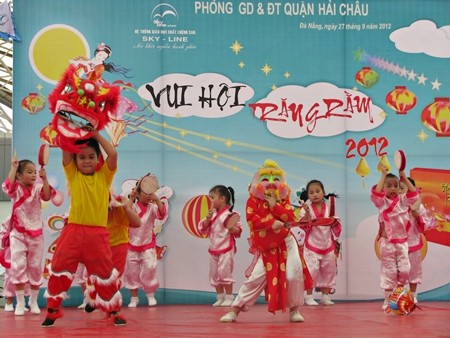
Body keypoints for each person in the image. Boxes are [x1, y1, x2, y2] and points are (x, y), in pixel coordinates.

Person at [42, 131, 126, 327]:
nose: (86, 161)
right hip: (73, 233)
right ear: (75, 159)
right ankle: (52, 311)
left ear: (98, 159)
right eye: (82, 157)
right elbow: (65, 149)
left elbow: (112, 154)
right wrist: (74, 130)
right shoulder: (73, 175)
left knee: (105, 275)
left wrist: (95, 135)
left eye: (91, 157)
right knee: (59, 270)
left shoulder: (104, 177)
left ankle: (114, 312)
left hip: (97, 236)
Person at [220, 159, 304, 323]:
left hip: (287, 242)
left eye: (275, 179)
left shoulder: (284, 199)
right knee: (255, 279)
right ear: (257, 182)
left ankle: (294, 310)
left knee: (293, 275)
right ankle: (235, 310)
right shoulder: (252, 200)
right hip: (268, 247)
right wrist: (272, 223)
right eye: (265, 179)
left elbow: (289, 217)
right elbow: (253, 220)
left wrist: (274, 205)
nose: (271, 183)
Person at [2, 156, 55, 316]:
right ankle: (19, 303)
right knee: (17, 267)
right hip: (18, 234)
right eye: (29, 172)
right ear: (19, 175)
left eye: (35, 172)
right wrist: (13, 167)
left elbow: (47, 195)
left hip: (36, 235)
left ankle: (32, 302)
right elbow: (6, 187)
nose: (33, 175)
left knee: (34, 268)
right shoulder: (16, 188)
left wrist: (44, 179)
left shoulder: (38, 188)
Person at [371, 165, 419, 310]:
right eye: (389, 185)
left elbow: (415, 194)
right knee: (389, 271)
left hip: (402, 243)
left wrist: (403, 177)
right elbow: (376, 194)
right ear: (384, 187)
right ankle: (387, 299)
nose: (393, 188)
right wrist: (383, 175)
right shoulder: (382, 202)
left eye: (395, 186)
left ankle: (398, 295)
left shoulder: (404, 201)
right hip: (387, 243)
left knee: (405, 270)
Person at [123, 173, 166, 307]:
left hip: (147, 244)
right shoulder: (133, 207)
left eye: (150, 193)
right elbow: (125, 212)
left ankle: (150, 295)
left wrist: (158, 200)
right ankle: (134, 298)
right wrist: (132, 197)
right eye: (146, 193)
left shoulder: (153, 208)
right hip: (131, 245)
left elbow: (162, 214)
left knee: (150, 269)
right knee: (131, 272)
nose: (148, 196)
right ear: (139, 193)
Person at [198, 185, 242, 307]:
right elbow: (202, 228)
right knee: (214, 273)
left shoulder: (231, 214)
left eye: (212, 197)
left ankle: (229, 297)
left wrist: (233, 228)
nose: (211, 200)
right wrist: (207, 219)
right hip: (214, 248)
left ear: (222, 199)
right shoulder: (211, 215)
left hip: (226, 248)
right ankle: (220, 297)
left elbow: (239, 230)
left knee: (224, 272)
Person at [300, 180, 342, 306]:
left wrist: (334, 222)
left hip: (327, 245)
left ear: (323, 193)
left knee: (328, 271)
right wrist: (307, 213)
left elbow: (336, 224)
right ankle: (308, 296)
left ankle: (325, 296)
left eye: (318, 191)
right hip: (312, 246)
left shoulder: (330, 208)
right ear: (308, 195)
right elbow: (304, 226)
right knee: (311, 271)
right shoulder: (306, 209)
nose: (315, 194)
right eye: (311, 192)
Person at [400, 177, 428, 304]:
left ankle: (413, 295)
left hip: (413, 242)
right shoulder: (396, 204)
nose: (400, 191)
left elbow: (426, 224)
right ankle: (399, 295)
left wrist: (418, 217)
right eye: (398, 187)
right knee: (399, 271)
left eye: (403, 188)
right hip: (398, 244)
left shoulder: (419, 206)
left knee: (414, 269)